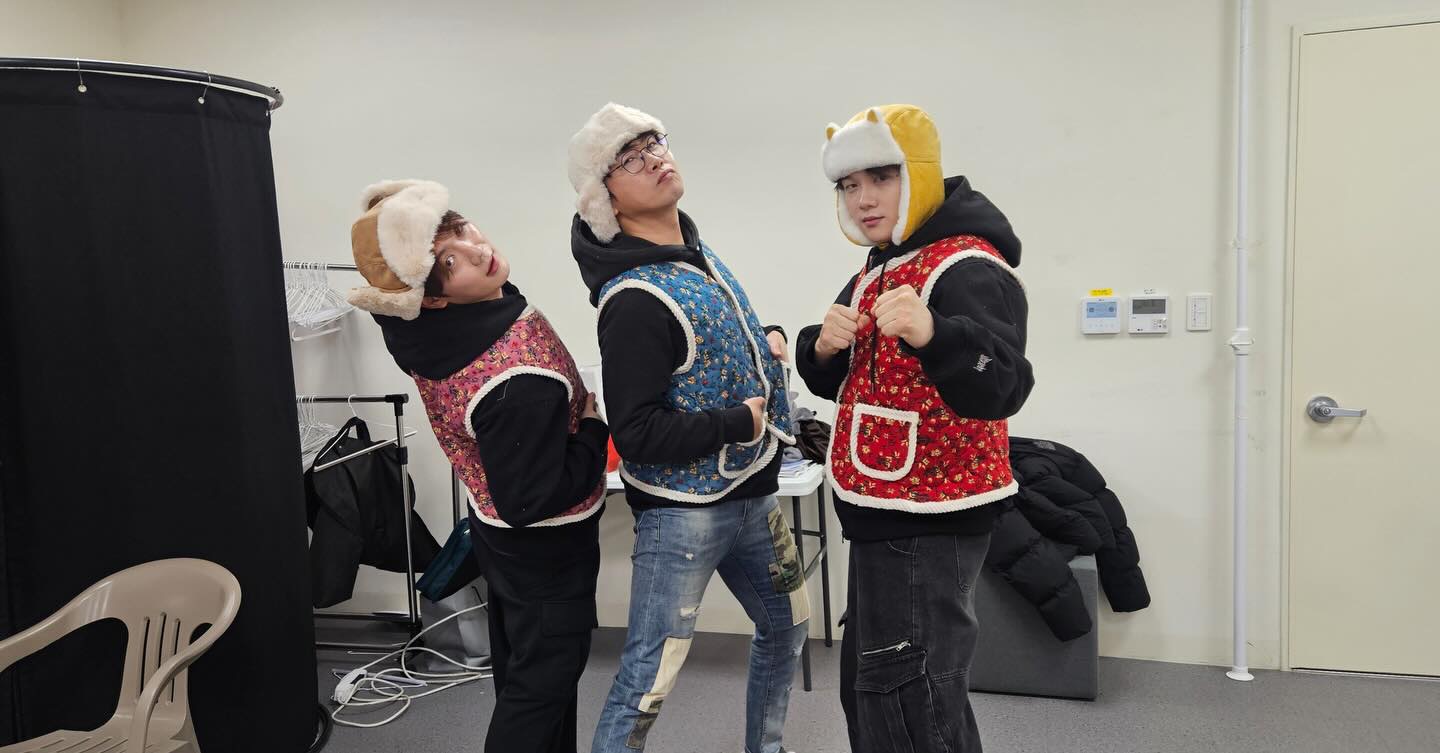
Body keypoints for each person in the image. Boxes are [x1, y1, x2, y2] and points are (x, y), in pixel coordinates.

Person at [566, 103, 808, 753]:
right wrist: (736, 421)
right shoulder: (633, 300)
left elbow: (706, 347)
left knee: (788, 625)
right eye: (630, 158)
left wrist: (764, 336)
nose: (654, 158)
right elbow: (637, 433)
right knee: (650, 674)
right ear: (606, 197)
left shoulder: (695, 253)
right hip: (682, 515)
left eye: (654, 142)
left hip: (753, 496)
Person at [795, 105, 1035, 753]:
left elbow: (1006, 384)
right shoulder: (880, 264)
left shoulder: (967, 267)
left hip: (930, 517)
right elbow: (847, 379)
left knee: (912, 695)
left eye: (882, 177)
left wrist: (937, 334)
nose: (864, 199)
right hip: (882, 511)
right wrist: (821, 345)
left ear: (919, 175)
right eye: (849, 185)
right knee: (876, 688)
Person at [347, 179, 608, 753]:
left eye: (460, 229)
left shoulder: (428, 329)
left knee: (525, 673)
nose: (475, 248)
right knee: (540, 690)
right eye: (447, 261)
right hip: (542, 548)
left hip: (497, 535)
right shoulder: (516, 382)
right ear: (431, 298)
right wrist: (592, 432)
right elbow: (527, 501)